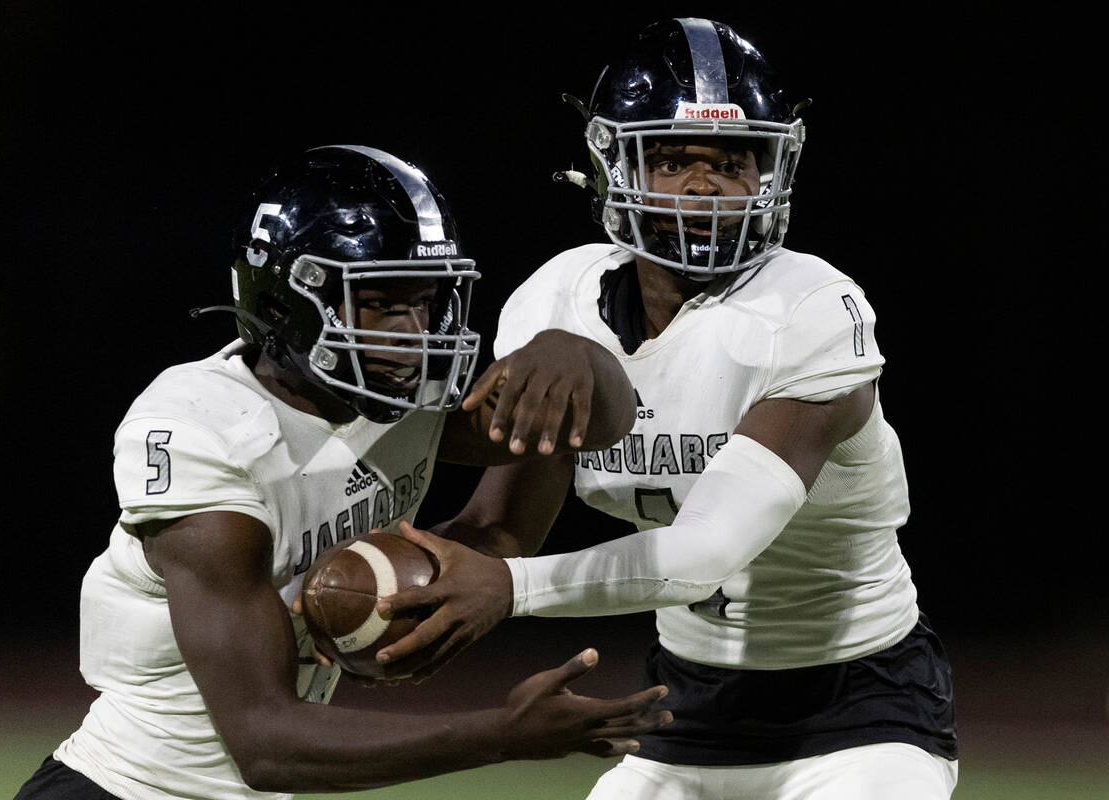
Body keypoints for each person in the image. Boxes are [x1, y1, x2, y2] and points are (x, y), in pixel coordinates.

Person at [373, 19, 960, 800]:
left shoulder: (812, 308)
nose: (702, 185)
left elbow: (706, 553)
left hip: (862, 709)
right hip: (683, 713)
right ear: (614, 165)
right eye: (673, 159)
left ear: (771, 172)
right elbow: (501, 527)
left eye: (731, 161)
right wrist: (388, 590)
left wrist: (507, 588)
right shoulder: (559, 303)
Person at [13, 144, 671, 800]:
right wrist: (503, 734)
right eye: (381, 302)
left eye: (426, 301)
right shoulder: (203, 430)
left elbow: (532, 484)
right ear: (282, 303)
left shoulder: (397, 397)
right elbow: (264, 741)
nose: (412, 332)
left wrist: (576, 356)